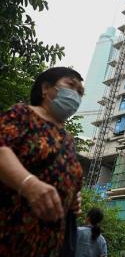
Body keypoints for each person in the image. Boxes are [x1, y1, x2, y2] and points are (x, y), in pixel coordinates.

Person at [0, 67, 84, 256]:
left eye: (80, 92)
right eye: (71, 85)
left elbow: (71, 178)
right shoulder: (23, 114)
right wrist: (28, 184)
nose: (76, 95)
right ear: (46, 88)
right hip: (11, 235)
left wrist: (73, 198)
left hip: (48, 246)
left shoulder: (68, 139)